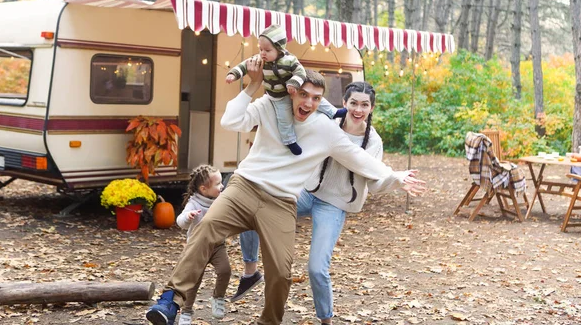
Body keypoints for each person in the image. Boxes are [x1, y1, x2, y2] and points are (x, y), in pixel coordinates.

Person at [146, 62, 425, 325]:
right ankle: (171, 301)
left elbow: (360, 159)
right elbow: (231, 121)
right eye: (304, 94)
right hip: (244, 187)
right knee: (205, 228)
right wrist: (251, 86)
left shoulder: (326, 130)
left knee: (281, 273)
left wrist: (395, 177)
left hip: (281, 203)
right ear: (292, 91)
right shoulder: (270, 105)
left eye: (316, 98)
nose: (308, 103)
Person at [232, 82, 424, 324]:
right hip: (306, 191)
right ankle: (250, 272)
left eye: (364, 105)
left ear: (371, 108)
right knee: (253, 212)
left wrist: (396, 179)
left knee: (316, 269)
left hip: (334, 204)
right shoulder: (328, 123)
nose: (358, 109)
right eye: (353, 103)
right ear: (344, 104)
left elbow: (374, 184)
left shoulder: (373, 141)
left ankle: (326, 320)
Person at [225, 24, 345, 155]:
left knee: (319, 100)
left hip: (291, 89)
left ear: (279, 49)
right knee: (284, 118)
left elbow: (300, 72)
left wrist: (294, 84)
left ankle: (333, 112)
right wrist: (234, 74)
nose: (262, 53)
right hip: (277, 97)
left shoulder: (289, 60)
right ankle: (289, 140)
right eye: (261, 49)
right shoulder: (261, 61)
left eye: (267, 50)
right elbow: (243, 65)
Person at [172, 164, 230, 325]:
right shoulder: (194, 203)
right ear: (204, 189)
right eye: (218, 184)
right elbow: (180, 222)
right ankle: (186, 312)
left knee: (225, 270)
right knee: (194, 280)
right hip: (197, 248)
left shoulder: (221, 200)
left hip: (217, 245)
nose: (222, 186)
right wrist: (188, 217)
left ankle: (218, 298)